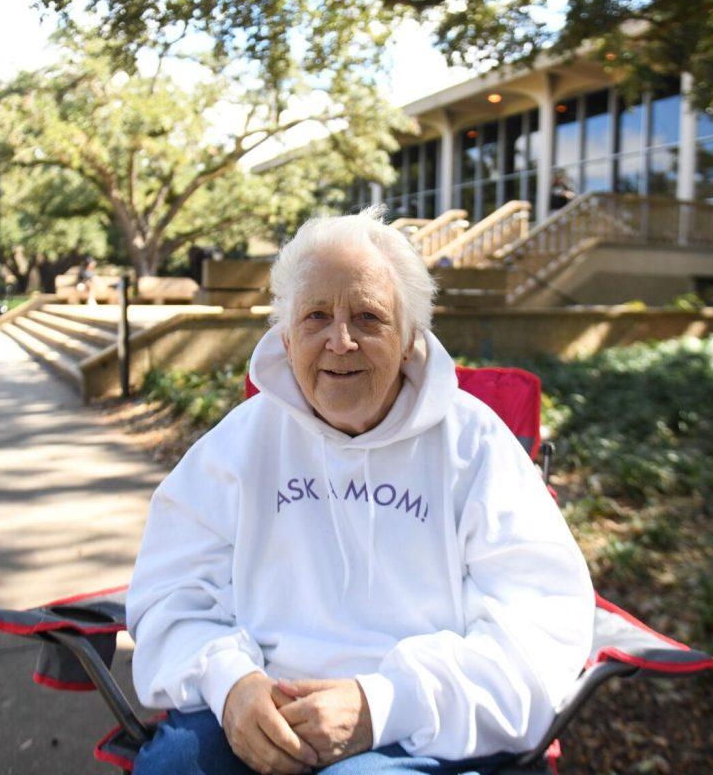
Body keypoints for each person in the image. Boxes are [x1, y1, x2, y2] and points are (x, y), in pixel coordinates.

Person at [127, 206, 593, 775]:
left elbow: (539, 626)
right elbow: (172, 592)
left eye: (368, 317)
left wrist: (382, 705)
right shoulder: (239, 446)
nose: (339, 342)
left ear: (408, 338)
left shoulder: (475, 447)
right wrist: (230, 683)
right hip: (257, 702)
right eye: (316, 316)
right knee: (175, 766)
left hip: (417, 725)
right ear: (286, 334)